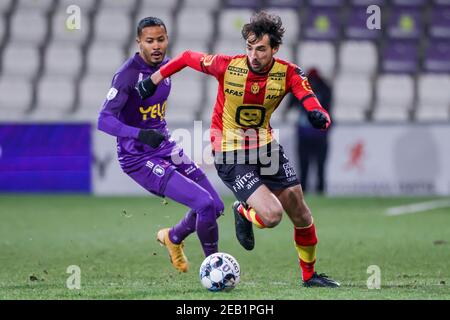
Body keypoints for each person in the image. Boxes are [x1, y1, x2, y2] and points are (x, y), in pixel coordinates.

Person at [137, 12, 340, 287]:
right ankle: (243, 211)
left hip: (266, 148)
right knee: (272, 216)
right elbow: (185, 57)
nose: (253, 55)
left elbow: (308, 96)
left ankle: (309, 275)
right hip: (230, 151)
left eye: (261, 49)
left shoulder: (287, 72)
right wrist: (154, 80)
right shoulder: (228, 66)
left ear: (275, 49)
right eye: (249, 47)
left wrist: (318, 114)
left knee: (300, 210)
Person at [97, 17, 224, 273]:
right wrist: (139, 134)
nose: (156, 46)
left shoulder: (166, 68)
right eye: (149, 41)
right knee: (204, 204)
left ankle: (173, 237)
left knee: (216, 206)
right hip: (138, 158)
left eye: (161, 39)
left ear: (167, 39)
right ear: (139, 42)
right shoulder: (127, 75)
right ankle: (215, 267)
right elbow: (104, 120)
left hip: (164, 146)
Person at [287, 68, 332, 194]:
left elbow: (290, 105)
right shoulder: (325, 88)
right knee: (317, 164)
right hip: (318, 134)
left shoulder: (302, 88)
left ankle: (308, 189)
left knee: (306, 164)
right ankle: (319, 189)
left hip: (306, 133)